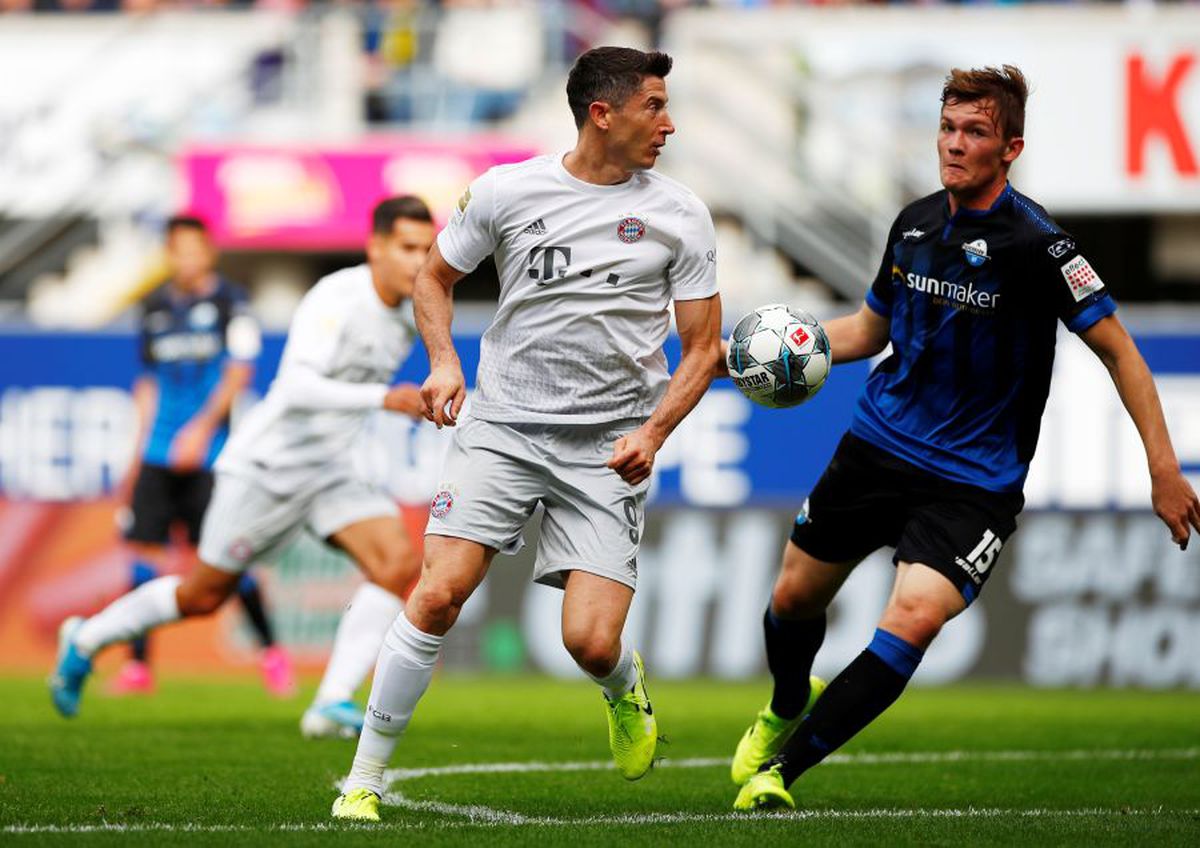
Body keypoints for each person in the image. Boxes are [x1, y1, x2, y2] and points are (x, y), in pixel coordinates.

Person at [727, 65, 1200, 812]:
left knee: (912, 616)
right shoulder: (913, 223)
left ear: (1009, 147)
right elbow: (868, 330)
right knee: (791, 599)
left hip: (972, 482)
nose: (953, 145)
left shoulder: (1041, 246)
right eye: (947, 129)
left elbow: (1121, 350)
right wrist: (776, 353)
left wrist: (1163, 470)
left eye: (973, 132)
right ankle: (785, 703)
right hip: (877, 446)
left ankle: (779, 772)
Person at [330, 46, 723, 822]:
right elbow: (433, 277)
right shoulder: (508, 192)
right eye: (655, 106)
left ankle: (622, 687)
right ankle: (364, 779)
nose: (669, 124)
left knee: (590, 643)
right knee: (437, 594)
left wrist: (653, 432)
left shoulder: (682, 214)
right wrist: (444, 363)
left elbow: (704, 348)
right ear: (602, 114)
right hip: (502, 426)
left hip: (608, 445)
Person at [50, 196, 437, 741]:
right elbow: (296, 385)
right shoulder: (336, 298)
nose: (419, 261)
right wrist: (383, 398)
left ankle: (329, 703)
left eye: (426, 247)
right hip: (267, 467)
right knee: (202, 595)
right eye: (407, 248)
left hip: (330, 469)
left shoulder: (413, 306)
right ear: (375, 247)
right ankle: (86, 639)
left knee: (398, 566)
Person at [112, 214, 293, 698]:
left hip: (210, 455)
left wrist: (199, 431)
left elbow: (239, 373)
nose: (186, 258)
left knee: (228, 561)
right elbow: (148, 383)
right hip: (157, 452)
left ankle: (272, 653)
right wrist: (137, 452)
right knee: (143, 557)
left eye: (194, 249)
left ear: (208, 253)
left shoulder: (231, 303)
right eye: (177, 249)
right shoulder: (153, 308)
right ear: (168, 255)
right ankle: (138, 667)